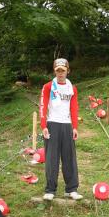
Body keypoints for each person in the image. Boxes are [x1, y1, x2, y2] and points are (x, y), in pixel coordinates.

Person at [39, 58, 82, 201]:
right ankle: (50, 189)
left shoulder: (72, 88)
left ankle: (71, 189)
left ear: (67, 71)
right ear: (54, 71)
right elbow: (43, 106)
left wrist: (75, 127)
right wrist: (43, 126)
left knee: (69, 157)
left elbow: (74, 108)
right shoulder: (48, 87)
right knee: (52, 158)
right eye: (58, 70)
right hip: (52, 123)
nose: (60, 73)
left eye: (63, 70)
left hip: (67, 125)